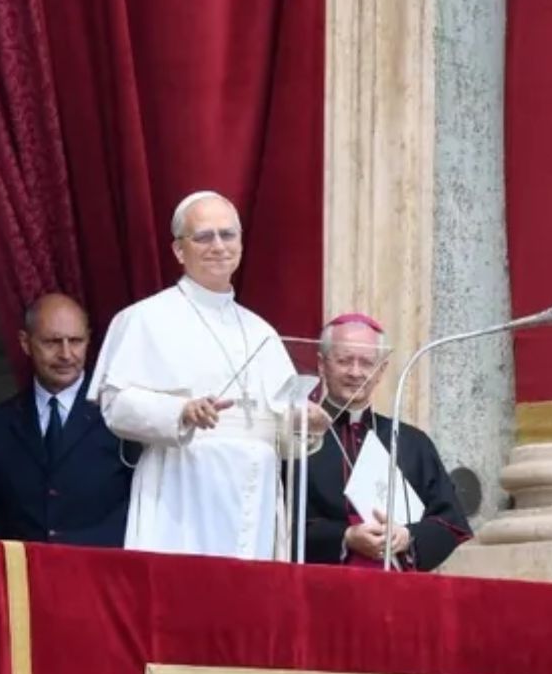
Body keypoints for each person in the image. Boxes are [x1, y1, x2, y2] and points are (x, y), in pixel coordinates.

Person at [86, 190, 329, 560]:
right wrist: (181, 412)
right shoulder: (145, 319)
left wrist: (303, 424)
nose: (218, 246)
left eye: (227, 234)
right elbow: (115, 405)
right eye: (203, 236)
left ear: (241, 243)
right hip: (183, 489)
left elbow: (281, 430)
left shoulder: (261, 331)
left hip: (255, 494)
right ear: (179, 251)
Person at [301, 313, 472, 571]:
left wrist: (407, 536)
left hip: (396, 587)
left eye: (366, 363)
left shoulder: (412, 443)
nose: (355, 372)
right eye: (344, 360)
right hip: (320, 584)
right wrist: (345, 537)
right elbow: (279, 523)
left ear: (380, 370)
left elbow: (450, 522)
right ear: (322, 364)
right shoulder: (295, 437)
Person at [0, 293, 135, 547]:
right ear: (25, 343)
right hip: (25, 568)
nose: (66, 354)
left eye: (76, 341)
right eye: (52, 342)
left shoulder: (119, 411)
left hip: (100, 567)